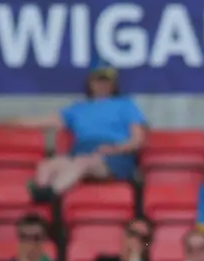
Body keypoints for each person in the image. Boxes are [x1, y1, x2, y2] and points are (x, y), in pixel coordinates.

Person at [28, 66, 147, 199]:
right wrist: (4, 122)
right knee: (47, 165)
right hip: (81, 152)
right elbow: (41, 122)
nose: (102, 85)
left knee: (82, 162)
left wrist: (115, 149)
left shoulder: (126, 104)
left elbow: (138, 140)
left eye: (106, 81)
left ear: (113, 84)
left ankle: (48, 194)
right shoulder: (77, 108)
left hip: (114, 155)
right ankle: (42, 203)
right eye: (98, 81)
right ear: (90, 83)